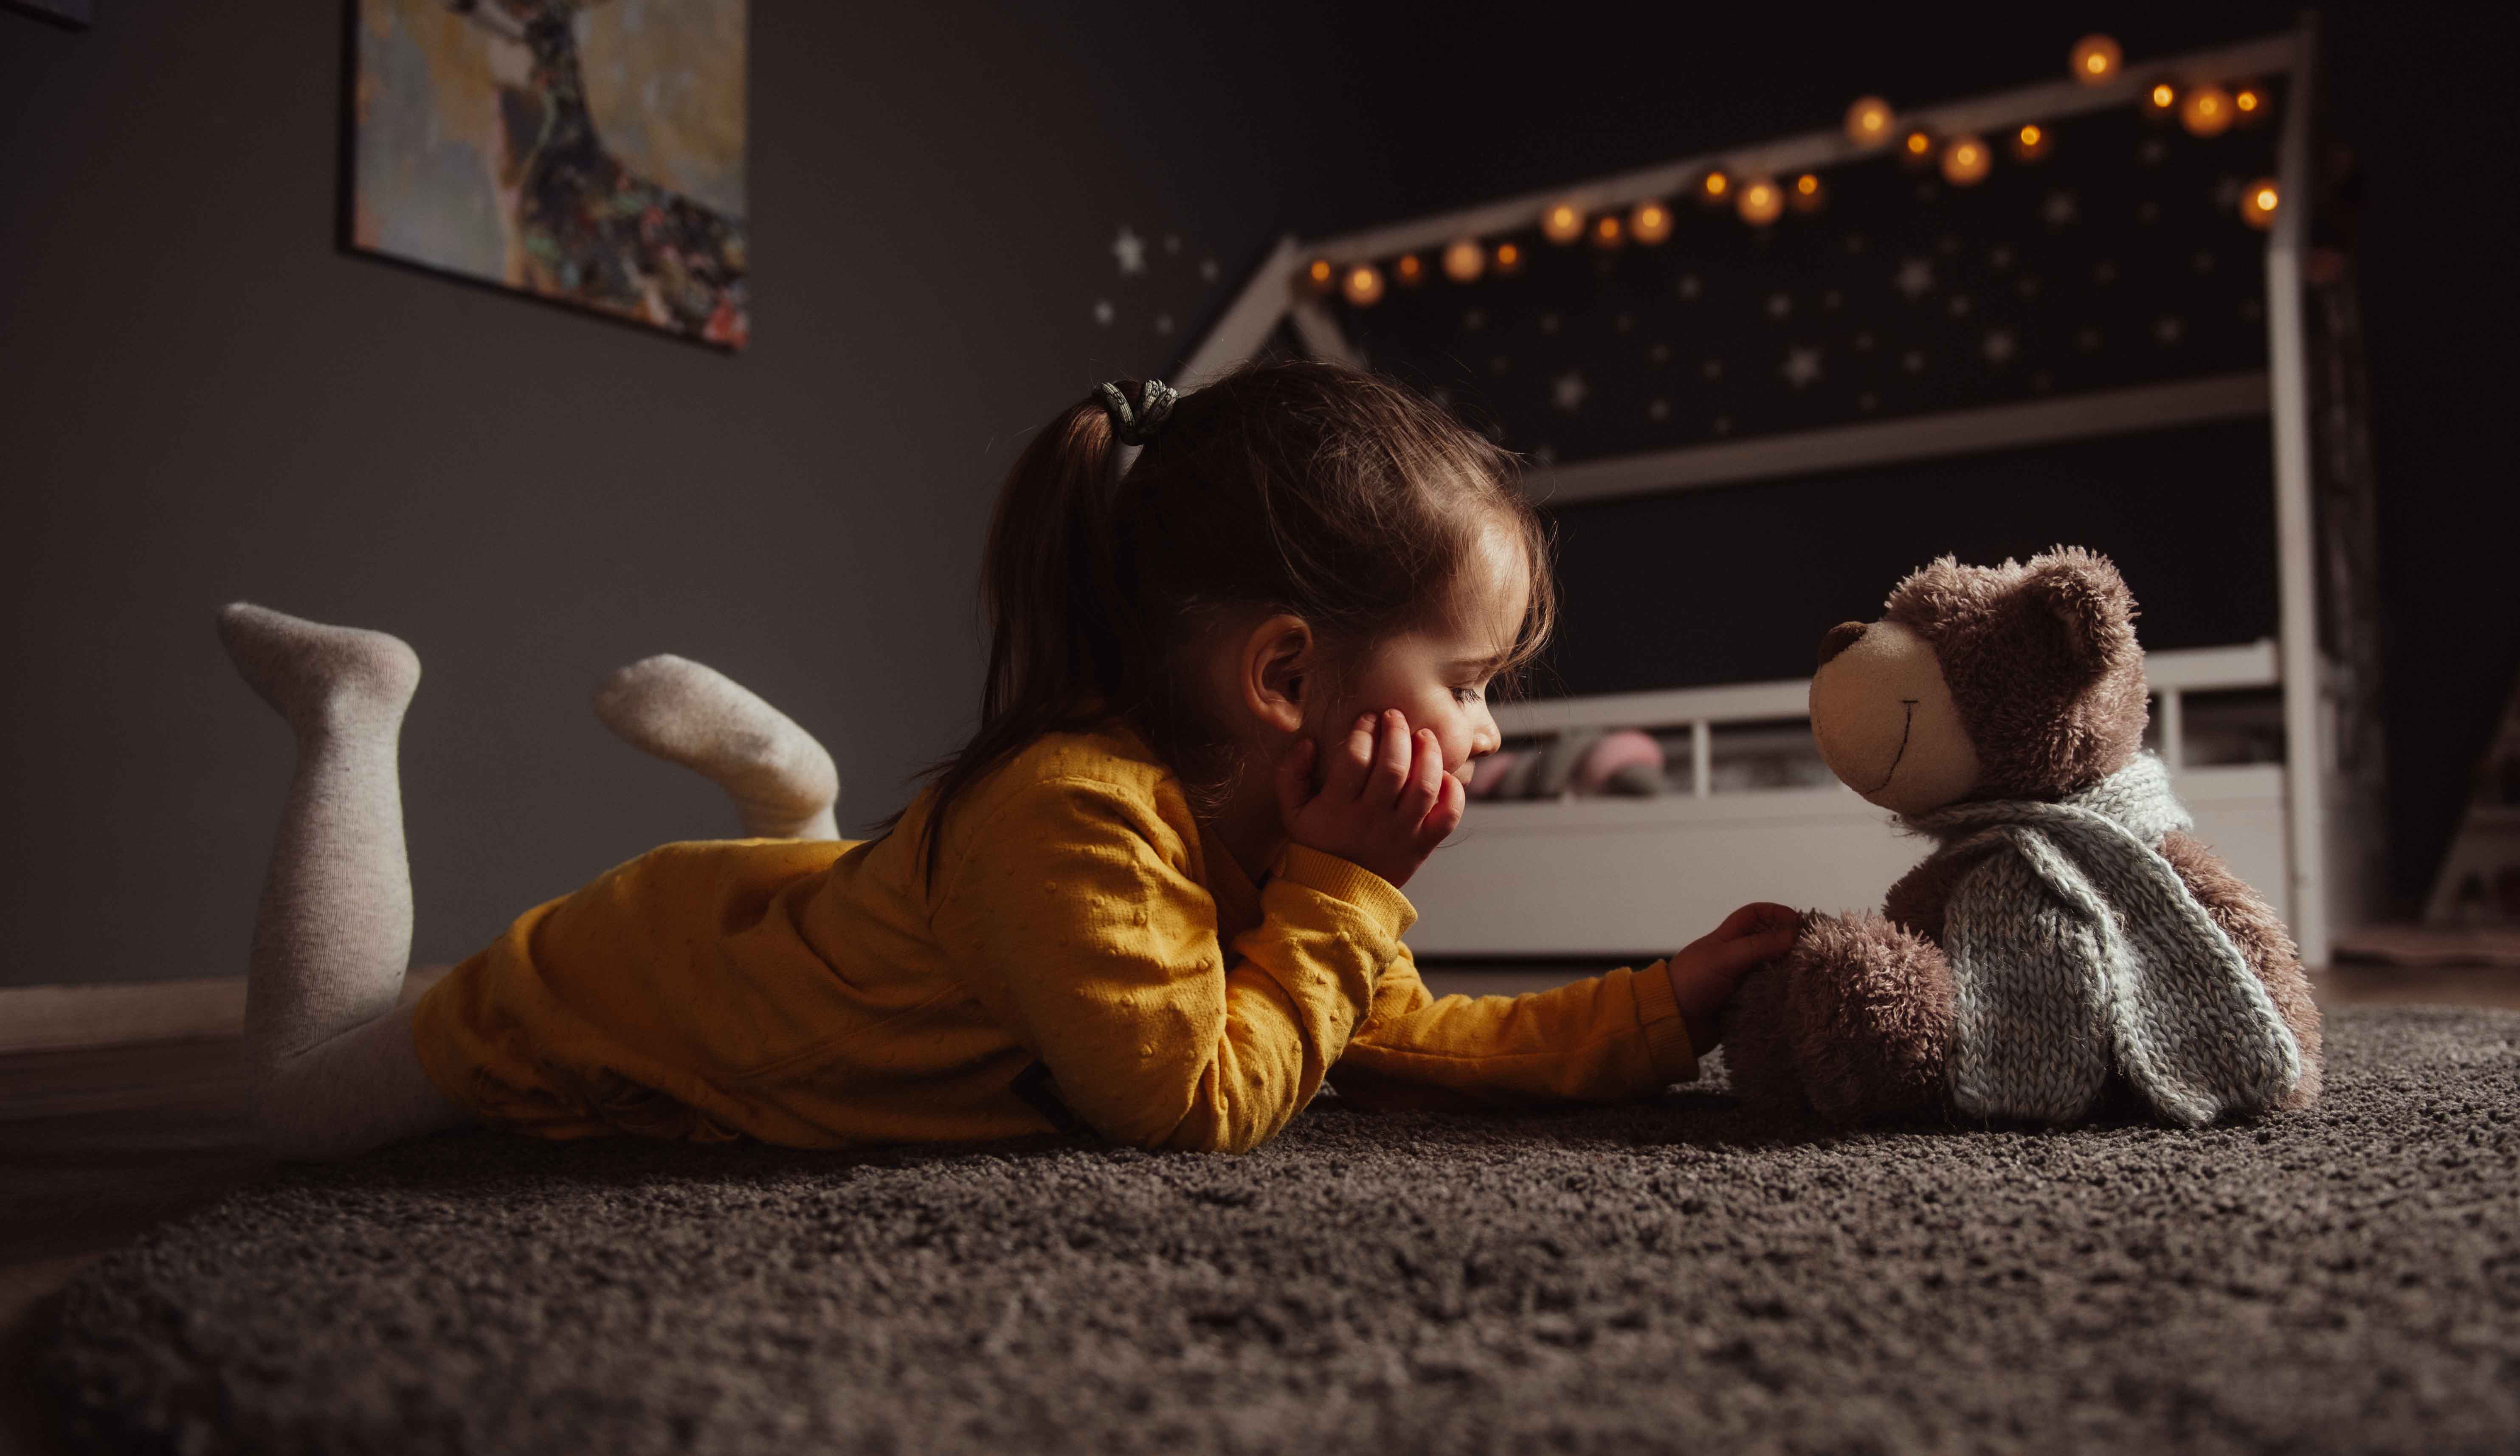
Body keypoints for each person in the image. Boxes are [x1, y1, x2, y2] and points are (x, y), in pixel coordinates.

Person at [220, 360, 1798, 1161]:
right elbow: (1186, 1102)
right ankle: (354, 714)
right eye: (1468, 680)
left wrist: (1669, 1008)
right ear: (1286, 677)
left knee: (843, 900)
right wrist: (1342, 888)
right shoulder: (1075, 822)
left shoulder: (1248, 832)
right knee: (303, 1101)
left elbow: (1406, 1038)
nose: (1492, 727)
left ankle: (797, 807)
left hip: (833, 936)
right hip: (626, 985)